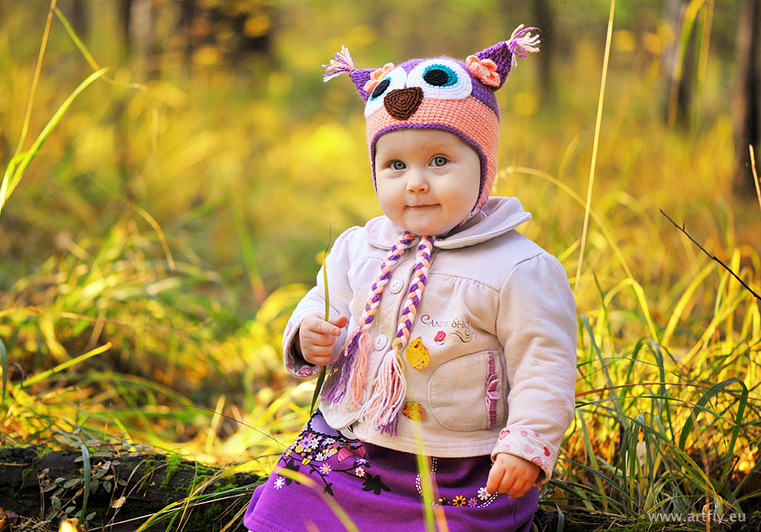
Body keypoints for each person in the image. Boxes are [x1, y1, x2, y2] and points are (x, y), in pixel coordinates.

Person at [244, 25, 577, 532]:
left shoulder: (519, 266)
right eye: (395, 165)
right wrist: (309, 333)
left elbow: (544, 362)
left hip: (461, 464)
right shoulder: (358, 246)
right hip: (351, 442)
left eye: (440, 161)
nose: (416, 182)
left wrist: (527, 445)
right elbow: (322, 299)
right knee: (284, 510)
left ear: (484, 167)